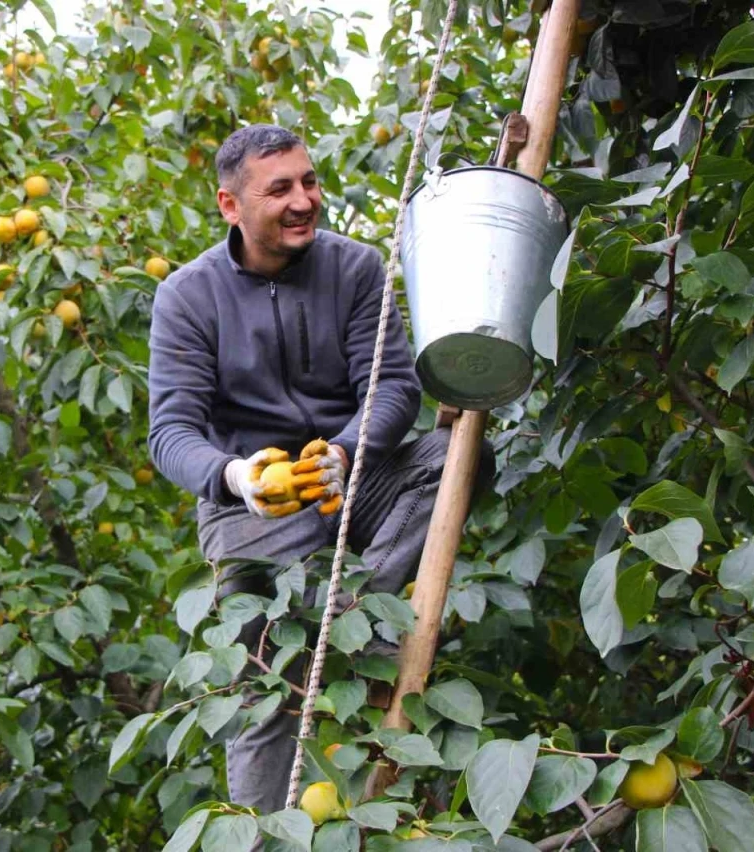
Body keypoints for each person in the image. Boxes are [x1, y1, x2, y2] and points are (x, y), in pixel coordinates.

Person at [146, 124, 485, 814]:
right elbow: (171, 430)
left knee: (457, 454)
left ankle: (354, 617)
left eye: (309, 181)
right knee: (266, 691)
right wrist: (237, 477)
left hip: (353, 483)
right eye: (281, 189)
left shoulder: (356, 268)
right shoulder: (187, 296)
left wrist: (346, 450)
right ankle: (265, 834)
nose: (304, 200)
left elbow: (392, 385)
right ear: (230, 206)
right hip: (256, 516)